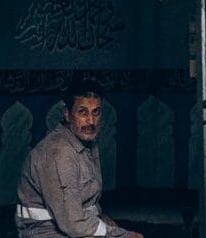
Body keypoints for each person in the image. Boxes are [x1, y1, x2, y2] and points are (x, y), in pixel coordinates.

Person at [16, 81, 143, 238]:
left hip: (68, 225)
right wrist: (120, 235)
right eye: (83, 112)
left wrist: (102, 221)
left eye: (95, 112)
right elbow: (72, 224)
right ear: (67, 114)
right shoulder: (59, 152)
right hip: (44, 231)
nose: (91, 121)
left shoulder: (86, 142)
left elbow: (86, 201)